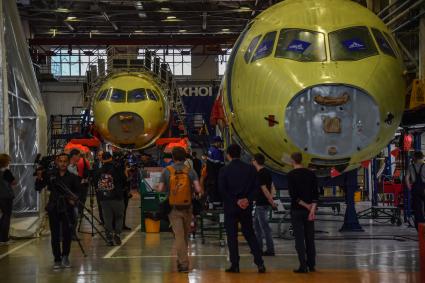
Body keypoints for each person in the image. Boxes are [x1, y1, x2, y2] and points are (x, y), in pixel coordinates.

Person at [218, 144, 265, 273]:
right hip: (246, 207)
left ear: (228, 155)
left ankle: (235, 265)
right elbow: (256, 188)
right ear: (240, 154)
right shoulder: (250, 169)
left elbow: (222, 190)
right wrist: (247, 200)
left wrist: (235, 200)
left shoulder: (224, 170)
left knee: (232, 236)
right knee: (250, 234)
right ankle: (260, 263)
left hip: (231, 207)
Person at [157, 147, 202, 273]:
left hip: (173, 208)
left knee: (179, 236)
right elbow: (198, 189)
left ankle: (183, 263)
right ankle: (181, 260)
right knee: (185, 236)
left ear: (173, 157)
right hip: (188, 207)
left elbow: (160, 189)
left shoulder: (167, 171)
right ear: (185, 157)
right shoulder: (190, 171)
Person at [35, 153, 81, 269]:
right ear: (57, 162)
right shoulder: (51, 175)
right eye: (60, 161)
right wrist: (39, 177)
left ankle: (65, 256)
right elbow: (38, 187)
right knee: (55, 235)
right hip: (54, 207)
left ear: (68, 162)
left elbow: (78, 193)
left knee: (67, 234)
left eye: (65, 161)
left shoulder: (73, 177)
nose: (63, 163)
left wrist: (73, 200)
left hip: (67, 208)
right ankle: (57, 258)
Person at [287, 152, 319, 273]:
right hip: (309, 211)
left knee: (299, 239)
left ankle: (303, 265)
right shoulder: (311, 174)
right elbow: (316, 194)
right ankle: (312, 265)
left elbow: (293, 195)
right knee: (310, 238)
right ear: (301, 160)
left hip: (297, 210)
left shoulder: (290, 175)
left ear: (292, 161)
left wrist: (305, 205)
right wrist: (311, 208)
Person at [97, 152, 126, 246]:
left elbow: (95, 183)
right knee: (119, 216)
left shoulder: (100, 170)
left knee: (107, 218)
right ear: (111, 158)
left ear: (102, 159)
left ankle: (109, 237)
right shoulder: (117, 168)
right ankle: (117, 233)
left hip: (104, 198)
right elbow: (124, 180)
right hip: (117, 197)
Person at [252, 153, 276, 256]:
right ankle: (258, 248)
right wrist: (272, 198)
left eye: (253, 160)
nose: (252, 162)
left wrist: (272, 202)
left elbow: (265, 190)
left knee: (265, 228)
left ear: (256, 161)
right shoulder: (267, 172)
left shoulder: (260, 174)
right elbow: (272, 186)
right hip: (260, 204)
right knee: (257, 227)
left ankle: (270, 250)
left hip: (262, 204)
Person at [0, 154, 17, 245]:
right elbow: (14, 182)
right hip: (6, 196)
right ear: (5, 162)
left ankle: (1, 238)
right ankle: (4, 239)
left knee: (3, 216)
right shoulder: (6, 172)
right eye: (8, 161)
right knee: (6, 216)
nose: (9, 162)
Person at [406, 151, 425, 230]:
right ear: (422, 157)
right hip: (424, 188)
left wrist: (409, 188)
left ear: (415, 158)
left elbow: (406, 178)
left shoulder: (411, 166)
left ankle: (419, 228)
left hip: (415, 188)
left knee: (417, 209)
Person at [205, 136, 225, 202]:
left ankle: (212, 200)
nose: (221, 144)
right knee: (216, 188)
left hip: (211, 174)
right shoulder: (216, 152)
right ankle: (217, 201)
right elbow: (218, 164)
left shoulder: (210, 149)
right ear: (216, 142)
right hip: (216, 174)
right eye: (220, 142)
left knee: (211, 188)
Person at [92, 150, 104, 224]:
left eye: (102, 155)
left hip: (106, 188)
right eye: (99, 155)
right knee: (100, 204)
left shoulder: (108, 164)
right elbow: (94, 176)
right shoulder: (95, 165)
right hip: (98, 188)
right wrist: (96, 186)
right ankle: (102, 219)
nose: (100, 157)